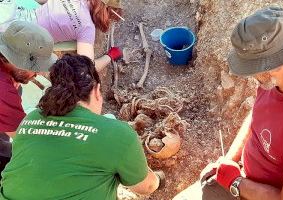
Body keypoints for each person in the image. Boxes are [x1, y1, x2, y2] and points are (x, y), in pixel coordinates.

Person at [173, 6, 283, 200]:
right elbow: (257, 115)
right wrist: (229, 161)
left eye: (255, 66)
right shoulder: (275, 82)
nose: (253, 74)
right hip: (242, 179)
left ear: (277, 64)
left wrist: (235, 183)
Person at [0, 54, 165, 200]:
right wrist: (158, 180)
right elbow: (146, 187)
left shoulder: (31, 119)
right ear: (97, 91)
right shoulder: (118, 134)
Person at [0, 20, 57, 179]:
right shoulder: (3, 91)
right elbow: (27, 139)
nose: (37, 74)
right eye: (34, 68)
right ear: (14, 60)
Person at [0, 0, 123, 72]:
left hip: (17, 13)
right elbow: (87, 68)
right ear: (107, 13)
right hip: (23, 37)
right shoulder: (87, 28)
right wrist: (110, 55)